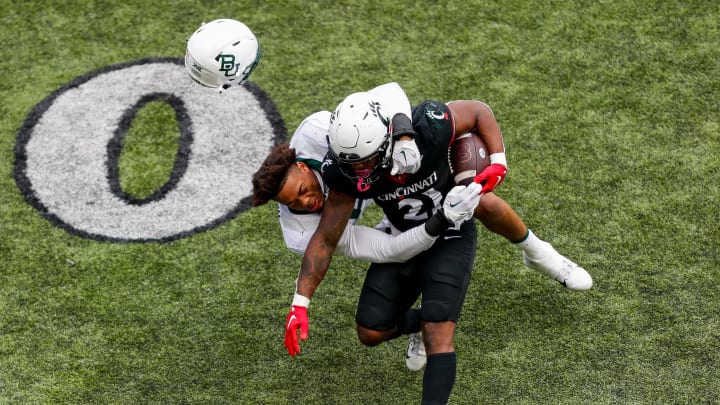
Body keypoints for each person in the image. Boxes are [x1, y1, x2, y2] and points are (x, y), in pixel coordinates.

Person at [282, 87, 590, 404]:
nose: (359, 171)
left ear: (387, 139)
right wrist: (300, 303)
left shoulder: (427, 126)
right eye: (351, 164)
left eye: (365, 161)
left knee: (438, 330)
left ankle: (540, 254)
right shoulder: (344, 171)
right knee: (370, 332)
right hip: (402, 234)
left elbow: (477, 111)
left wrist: (498, 162)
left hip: (453, 229)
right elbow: (326, 238)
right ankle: (418, 323)